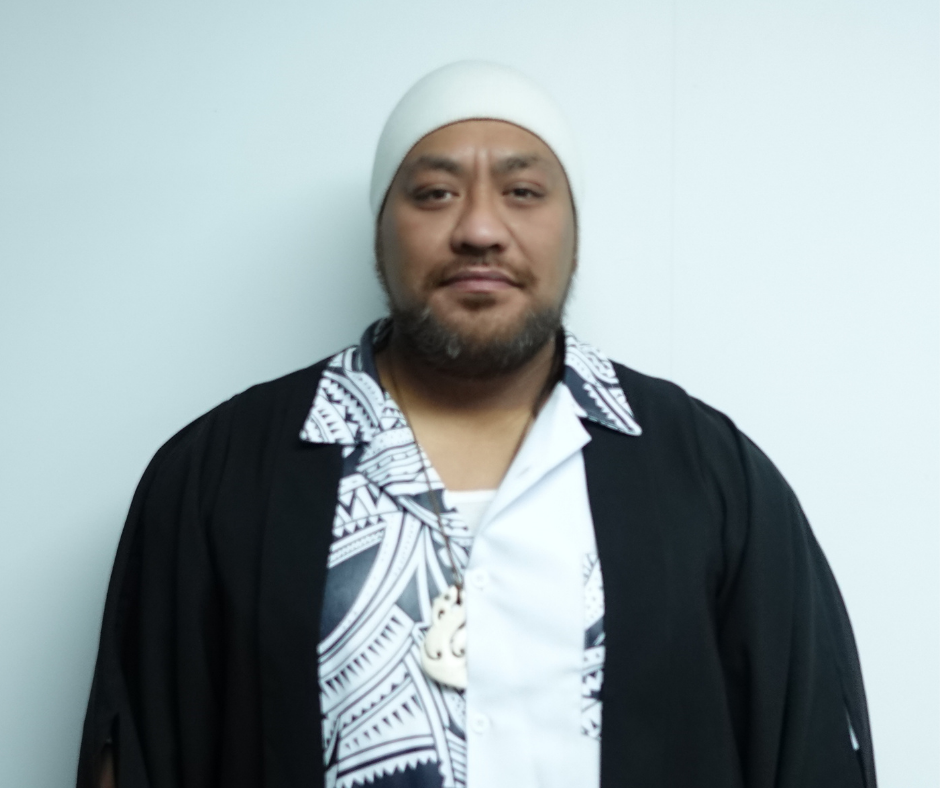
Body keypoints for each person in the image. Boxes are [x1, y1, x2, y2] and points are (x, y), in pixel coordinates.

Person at [78, 61, 876, 788]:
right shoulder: (219, 477)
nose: (480, 229)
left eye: (524, 192)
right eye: (434, 192)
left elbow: (808, 750)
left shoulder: (710, 478)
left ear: (573, 232)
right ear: (381, 228)